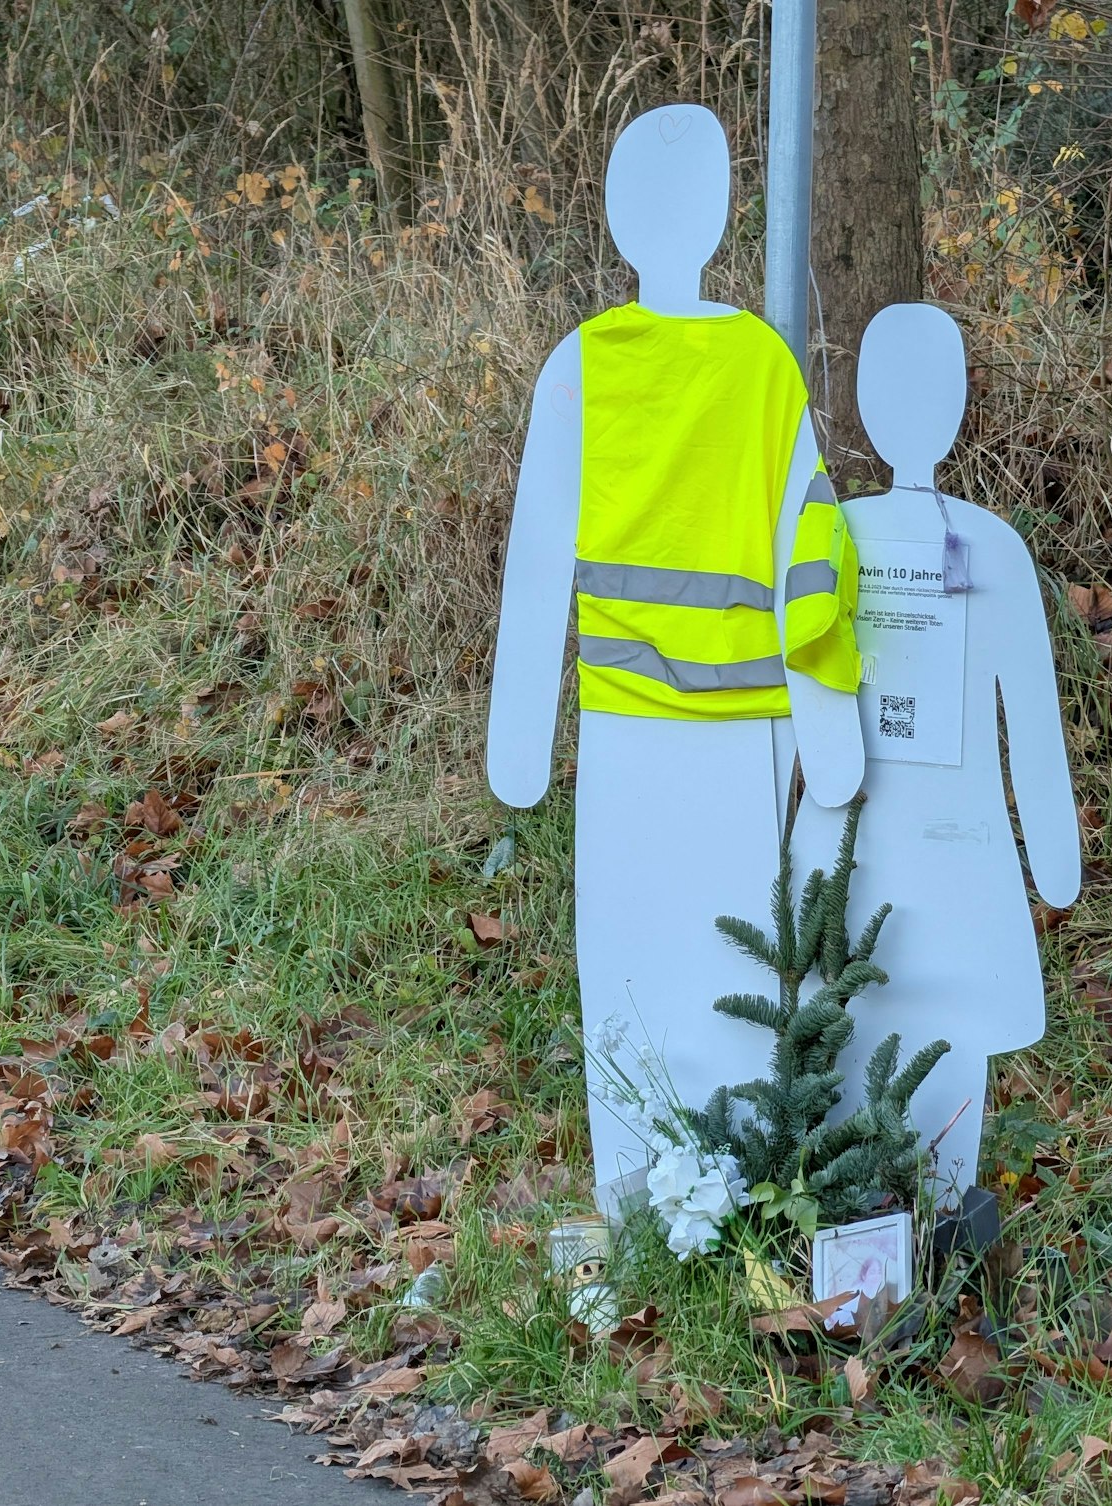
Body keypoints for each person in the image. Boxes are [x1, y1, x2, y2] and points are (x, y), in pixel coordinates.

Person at [486, 104, 863, 1207]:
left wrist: (520, 746)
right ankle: (737, 1192)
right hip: (747, 731)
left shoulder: (581, 365)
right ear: (721, 216)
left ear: (613, 217)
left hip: (622, 727)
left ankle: (635, 1200)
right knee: (736, 964)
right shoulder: (761, 365)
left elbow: (535, 568)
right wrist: (829, 738)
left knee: (627, 964)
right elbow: (810, 553)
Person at [790, 303, 1080, 1210]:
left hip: (855, 832)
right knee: (943, 1036)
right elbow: (1034, 731)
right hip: (949, 848)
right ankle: (933, 1218)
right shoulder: (990, 545)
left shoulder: (833, 532)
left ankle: (863, 1222)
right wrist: (1055, 866)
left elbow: (791, 691)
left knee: (859, 1022)